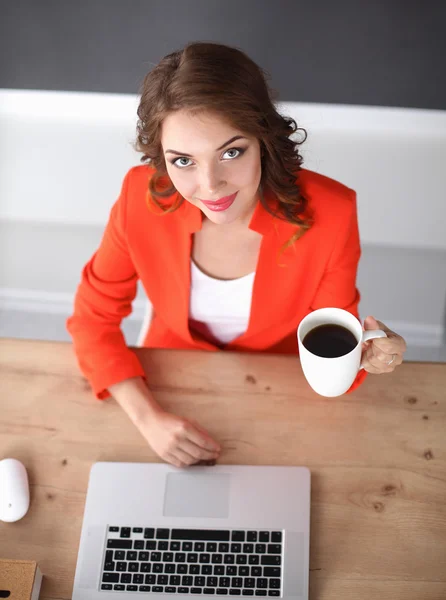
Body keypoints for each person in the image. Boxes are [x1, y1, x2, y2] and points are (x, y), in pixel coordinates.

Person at [67, 41, 407, 468]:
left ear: (262, 138)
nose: (210, 187)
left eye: (231, 152)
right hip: (170, 378)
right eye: (183, 161)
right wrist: (148, 418)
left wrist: (366, 356)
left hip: (282, 384)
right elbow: (92, 320)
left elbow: (331, 345)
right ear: (161, 158)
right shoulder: (140, 197)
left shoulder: (332, 213)